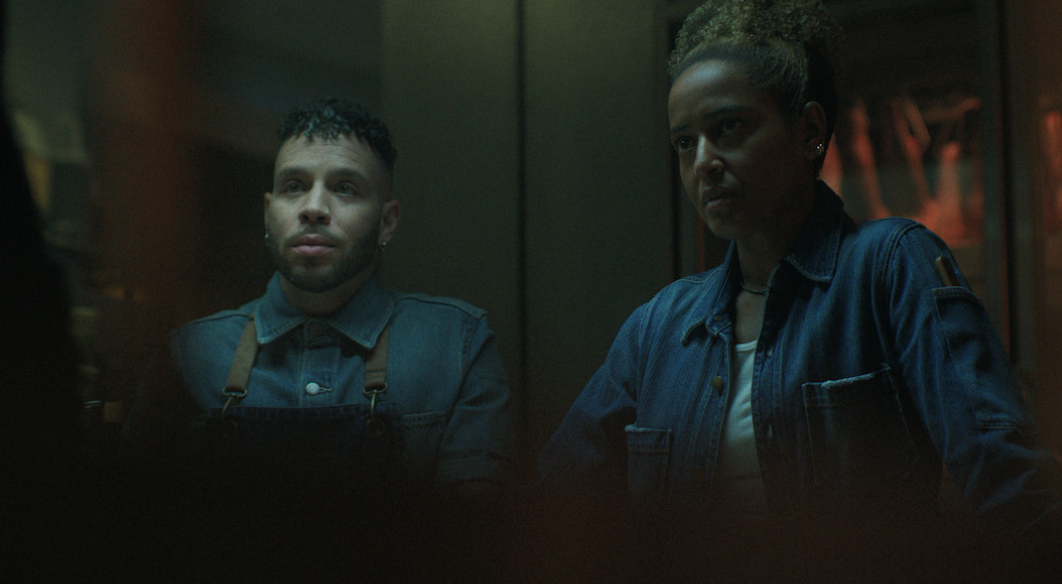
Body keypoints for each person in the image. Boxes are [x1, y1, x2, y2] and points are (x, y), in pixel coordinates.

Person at [537, 0, 1061, 577]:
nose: (704, 162)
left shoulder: (889, 265)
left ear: (809, 130)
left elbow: (1010, 484)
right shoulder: (660, 326)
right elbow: (553, 500)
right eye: (685, 142)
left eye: (729, 127)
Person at [123, 97, 513, 494]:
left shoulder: (456, 345)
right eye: (294, 186)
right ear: (268, 213)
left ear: (387, 222)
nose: (313, 208)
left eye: (345, 188)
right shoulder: (188, 356)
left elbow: (472, 524)